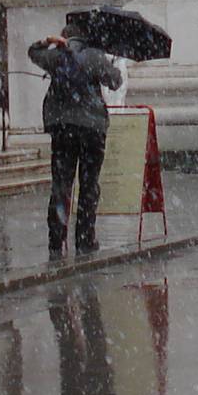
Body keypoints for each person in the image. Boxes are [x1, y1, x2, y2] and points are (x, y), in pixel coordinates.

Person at [29, 24, 122, 256]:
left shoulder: (56, 57)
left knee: (61, 185)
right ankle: (85, 239)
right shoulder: (95, 56)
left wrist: (47, 40)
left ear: (65, 37)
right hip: (92, 129)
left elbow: (32, 52)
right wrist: (110, 63)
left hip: (62, 128)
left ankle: (56, 239)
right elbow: (115, 81)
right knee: (89, 185)